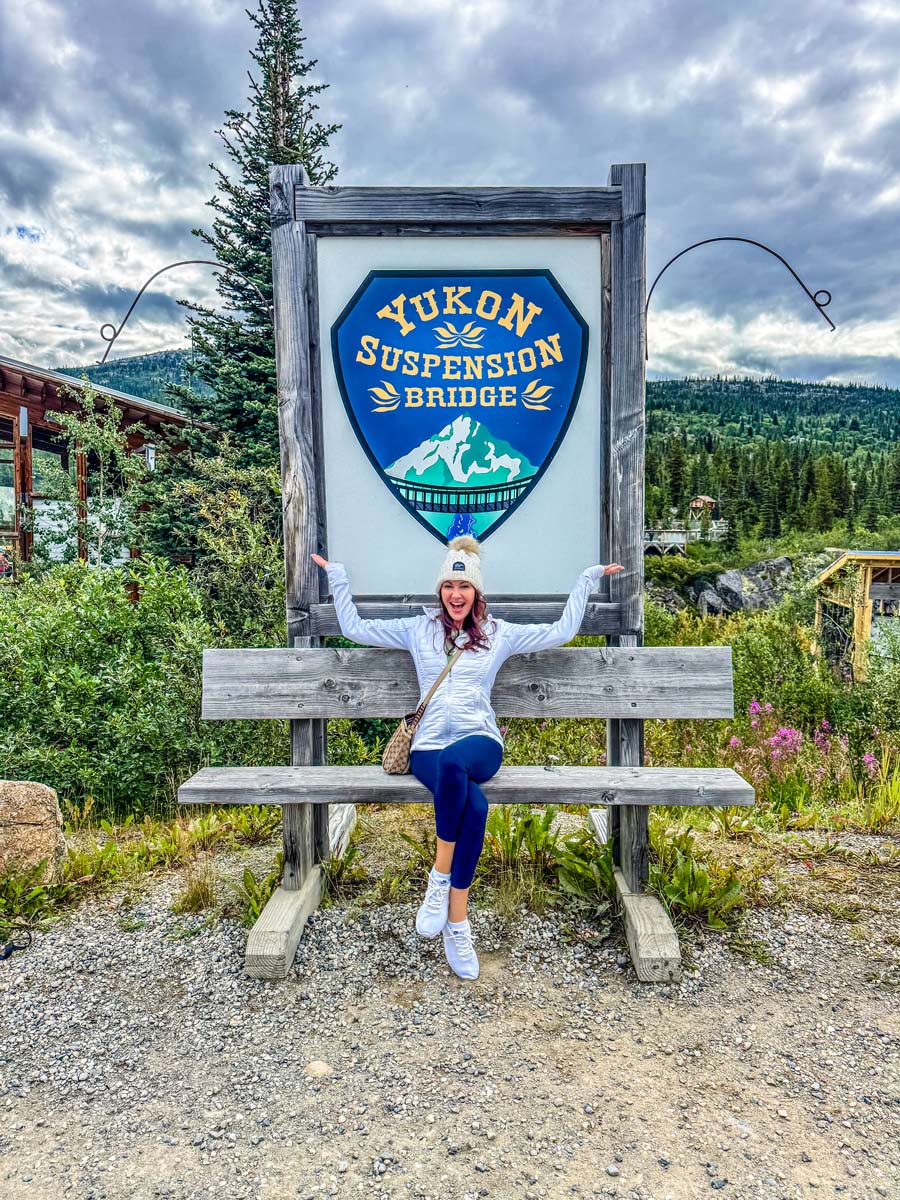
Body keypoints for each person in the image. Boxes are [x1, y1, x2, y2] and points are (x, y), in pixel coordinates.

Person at [311, 537, 622, 981]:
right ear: (440, 591)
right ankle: (458, 921)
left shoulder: (498, 634)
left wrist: (586, 581)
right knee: (474, 807)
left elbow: (561, 632)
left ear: (477, 593)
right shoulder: (418, 630)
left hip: (480, 744)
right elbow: (355, 629)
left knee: (458, 762)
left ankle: (439, 876)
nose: (456, 595)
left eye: (464, 587)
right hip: (427, 749)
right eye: (448, 586)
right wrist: (337, 578)